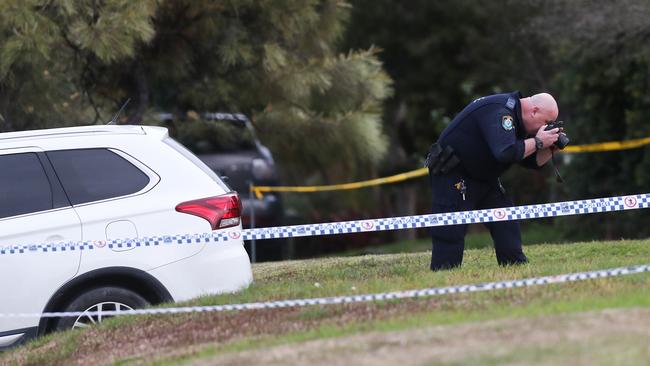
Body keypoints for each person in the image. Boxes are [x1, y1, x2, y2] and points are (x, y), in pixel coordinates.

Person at [425, 91, 561, 271]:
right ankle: (444, 277)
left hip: (484, 176)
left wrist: (550, 147)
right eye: (546, 123)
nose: (544, 128)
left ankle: (515, 269)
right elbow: (505, 152)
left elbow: (530, 161)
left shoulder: (519, 119)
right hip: (453, 173)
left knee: (506, 220)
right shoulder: (501, 111)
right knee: (451, 230)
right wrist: (537, 142)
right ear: (534, 111)